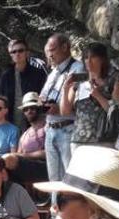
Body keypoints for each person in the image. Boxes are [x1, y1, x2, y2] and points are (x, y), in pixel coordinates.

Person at [39, 33, 86, 206]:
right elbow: (44, 95)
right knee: (54, 176)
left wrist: (58, 107)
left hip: (67, 127)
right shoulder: (53, 72)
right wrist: (41, 103)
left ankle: (73, 211)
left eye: (52, 50)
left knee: (70, 173)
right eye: (47, 52)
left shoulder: (78, 68)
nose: (50, 55)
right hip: (51, 127)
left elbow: (79, 99)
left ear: (65, 47)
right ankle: (56, 211)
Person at [61, 42, 119, 151]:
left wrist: (98, 96)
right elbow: (65, 112)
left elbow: (117, 114)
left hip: (103, 142)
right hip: (78, 142)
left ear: (102, 59)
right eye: (86, 57)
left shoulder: (113, 83)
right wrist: (65, 90)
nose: (89, 61)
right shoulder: (78, 84)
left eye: (93, 57)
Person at [0, 39, 48, 129]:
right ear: (11, 55)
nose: (17, 54)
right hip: (11, 120)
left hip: (34, 120)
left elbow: (43, 96)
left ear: (27, 52)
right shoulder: (5, 76)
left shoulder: (38, 74)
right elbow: (0, 98)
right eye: (14, 52)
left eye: (20, 50)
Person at [3, 92, 49, 185]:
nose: (29, 111)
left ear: (39, 108)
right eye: (26, 109)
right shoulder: (25, 134)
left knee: (7, 159)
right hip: (26, 169)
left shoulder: (48, 127)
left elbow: (49, 153)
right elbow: (18, 154)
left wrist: (25, 155)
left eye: (32, 108)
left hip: (44, 167)